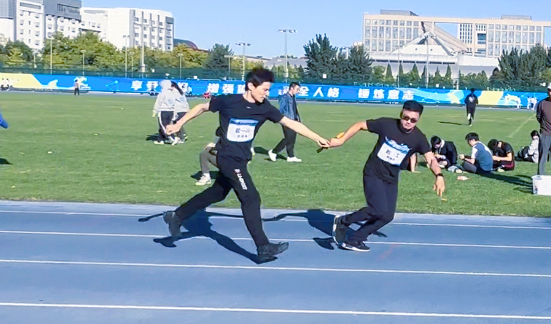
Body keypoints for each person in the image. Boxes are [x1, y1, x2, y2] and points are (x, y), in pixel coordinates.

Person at [160, 68, 329, 263]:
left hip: (241, 159)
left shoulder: (265, 108)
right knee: (251, 198)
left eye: (268, 90)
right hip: (227, 158)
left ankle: (177, 215)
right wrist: (178, 124)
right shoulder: (228, 101)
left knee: (218, 193)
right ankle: (263, 247)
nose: (267, 94)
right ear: (250, 86)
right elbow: (201, 107)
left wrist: (317, 138)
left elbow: (290, 123)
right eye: (264, 89)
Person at [325, 100, 445, 252]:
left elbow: (431, 159)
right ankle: (343, 221)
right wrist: (341, 140)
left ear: (418, 119)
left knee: (387, 216)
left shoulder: (419, 138)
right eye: (405, 117)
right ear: (401, 114)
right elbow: (360, 125)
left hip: (391, 178)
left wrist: (439, 175)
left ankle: (355, 240)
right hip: (373, 173)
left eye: (413, 120)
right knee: (377, 210)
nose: (408, 122)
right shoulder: (387, 124)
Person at [268, 82, 303, 163]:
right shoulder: (284, 97)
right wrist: (284, 120)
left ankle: (291, 156)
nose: (298, 91)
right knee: (288, 138)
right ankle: (274, 151)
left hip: (294, 120)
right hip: (287, 121)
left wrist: (298, 119)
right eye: (297, 89)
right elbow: (281, 110)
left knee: (292, 139)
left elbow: (294, 109)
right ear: (291, 88)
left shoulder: (293, 97)